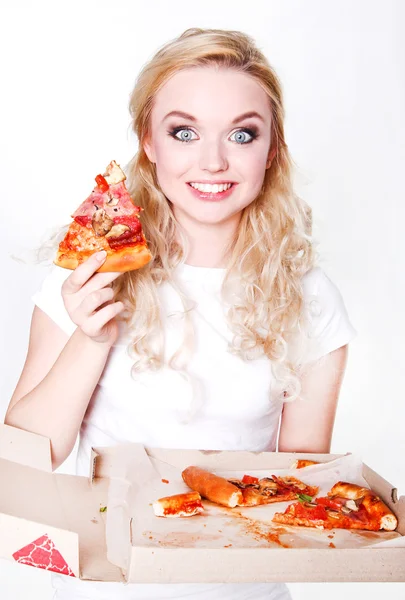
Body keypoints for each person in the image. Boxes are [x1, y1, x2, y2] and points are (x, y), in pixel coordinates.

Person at [5, 27, 356, 600]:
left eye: (242, 134)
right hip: (103, 585)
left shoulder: (311, 297)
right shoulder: (88, 275)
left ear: (272, 150)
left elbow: (299, 487)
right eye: (184, 131)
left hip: (245, 589)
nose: (213, 161)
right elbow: (26, 457)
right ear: (149, 141)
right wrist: (90, 339)